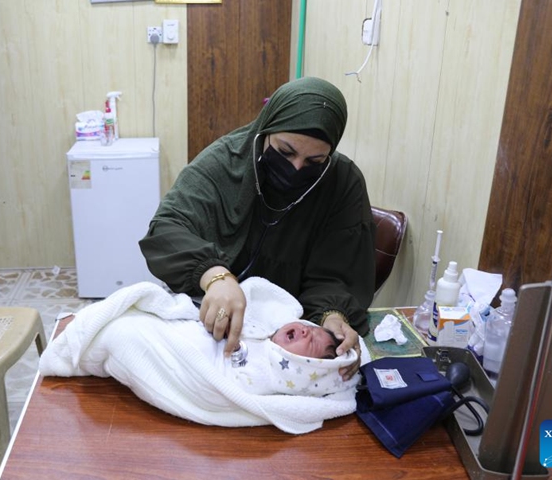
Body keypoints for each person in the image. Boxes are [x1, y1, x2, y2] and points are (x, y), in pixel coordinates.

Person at [139, 76, 375, 380]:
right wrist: (215, 276)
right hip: (209, 316)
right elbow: (166, 231)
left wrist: (331, 315)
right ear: (266, 129)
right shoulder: (223, 163)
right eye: (285, 152)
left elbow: (337, 274)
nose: (296, 168)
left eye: (314, 160)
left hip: (290, 336)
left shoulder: (343, 183)